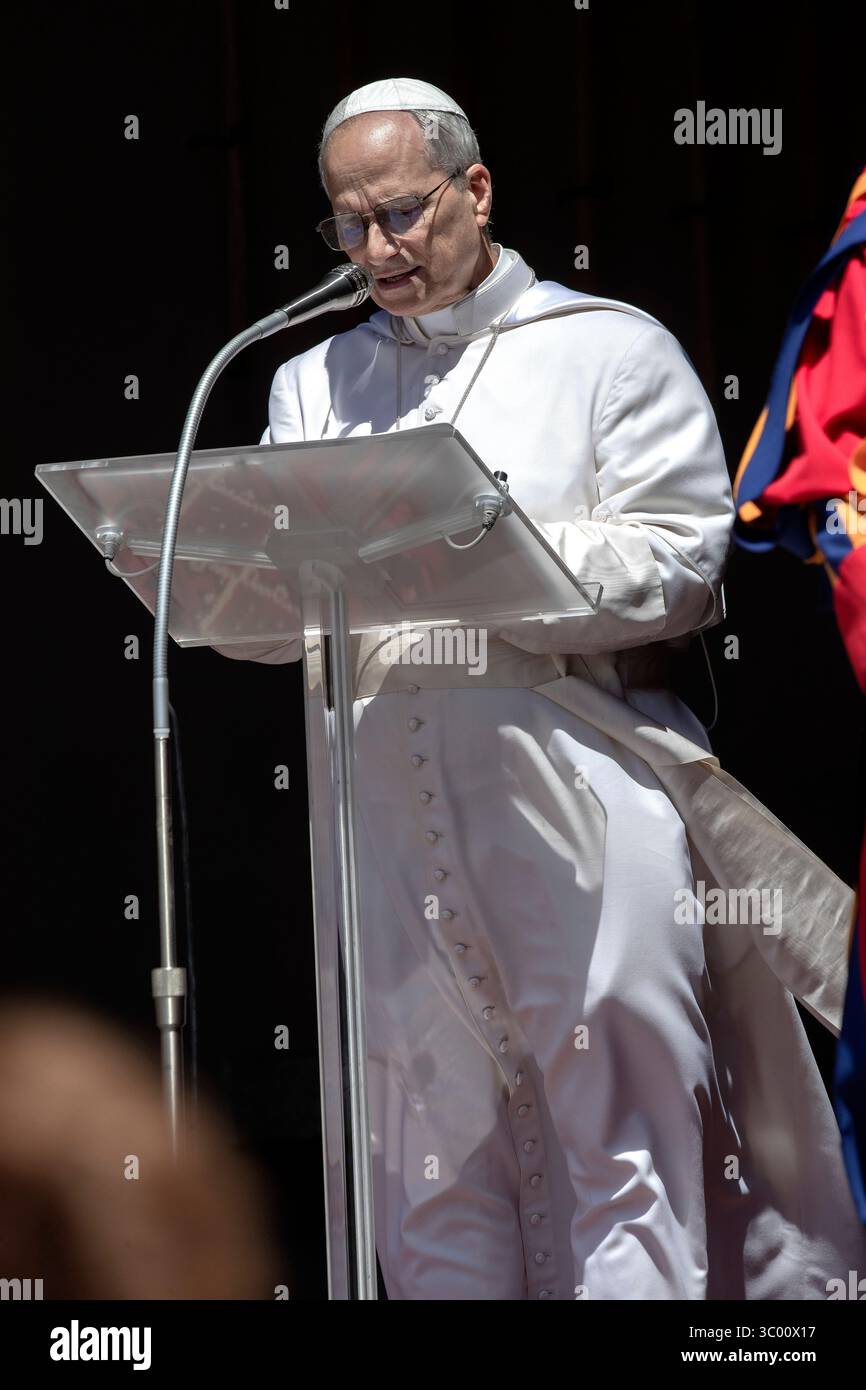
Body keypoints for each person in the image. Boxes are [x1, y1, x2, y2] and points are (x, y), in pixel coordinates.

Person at [215, 77, 866, 1299]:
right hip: (378, 819)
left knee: (619, 1133)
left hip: (573, 782)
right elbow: (271, 595)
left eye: (398, 215)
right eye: (345, 226)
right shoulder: (307, 383)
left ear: (475, 188)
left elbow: (678, 560)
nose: (373, 250)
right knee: (421, 1156)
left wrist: (469, 557)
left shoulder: (607, 346)